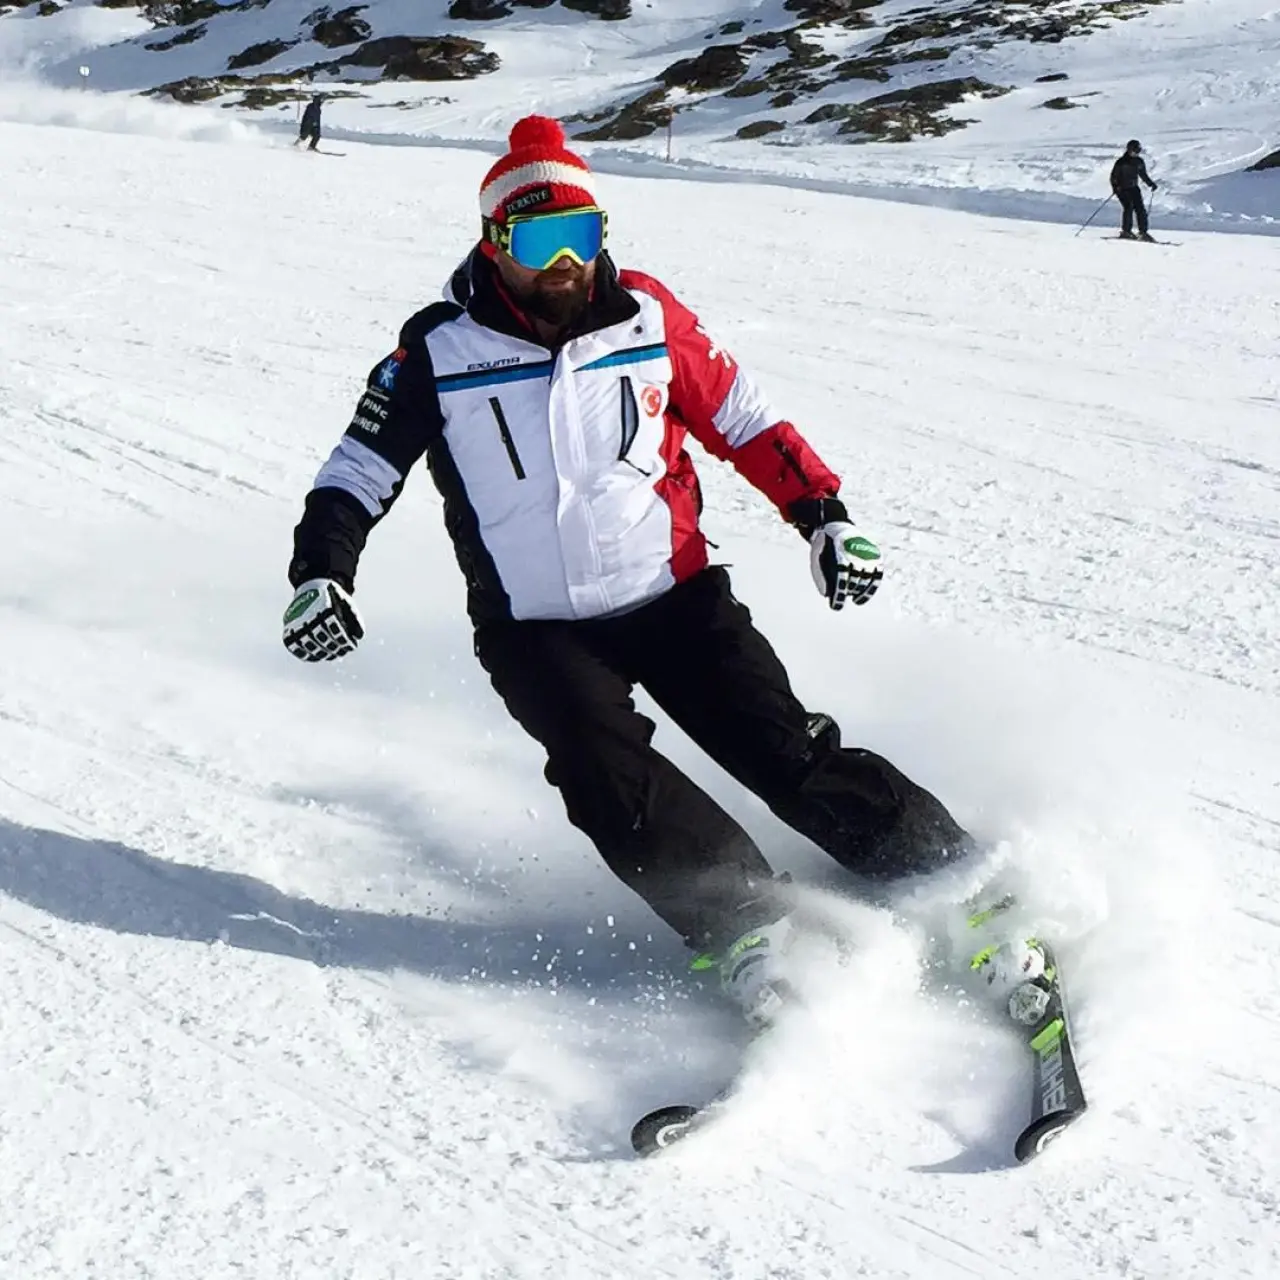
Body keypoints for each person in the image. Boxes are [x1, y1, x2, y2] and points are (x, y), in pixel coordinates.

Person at [282, 115, 977, 1026]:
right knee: (605, 780)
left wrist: (822, 518)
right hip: (537, 630)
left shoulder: (647, 317)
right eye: (540, 240)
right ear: (496, 243)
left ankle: (957, 876)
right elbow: (358, 471)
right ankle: (752, 930)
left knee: (786, 755)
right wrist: (321, 572)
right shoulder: (437, 352)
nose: (564, 260)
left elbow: (744, 420)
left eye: (580, 235)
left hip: (675, 598)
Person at [1110, 139, 1158, 241]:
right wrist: (1115, 187)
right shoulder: (1121, 162)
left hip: (1134, 188)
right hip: (1122, 189)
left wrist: (1151, 184)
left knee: (1140, 209)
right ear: (1129, 150)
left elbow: (1143, 175)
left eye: (1138, 151)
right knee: (1128, 207)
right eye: (1135, 151)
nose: (1136, 153)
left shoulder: (1139, 162)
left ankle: (1143, 232)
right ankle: (1126, 231)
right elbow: (1113, 176)